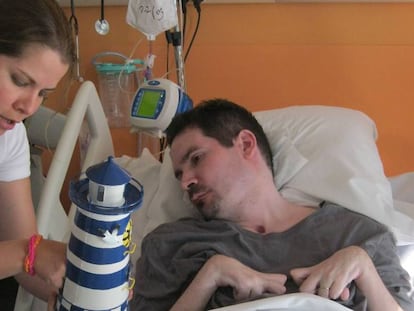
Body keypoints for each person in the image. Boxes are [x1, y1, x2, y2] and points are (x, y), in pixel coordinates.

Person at [131, 99, 413, 311]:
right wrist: (208, 277)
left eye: (196, 158)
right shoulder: (171, 244)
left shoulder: (359, 235)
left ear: (244, 144)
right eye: (179, 174)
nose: (185, 182)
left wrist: (364, 268)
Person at [0, 0, 75, 305]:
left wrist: (85, 291)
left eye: (43, 93)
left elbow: (25, 264)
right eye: (20, 81)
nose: (29, 107)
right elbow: (24, 253)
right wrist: (26, 254)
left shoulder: (10, 138)